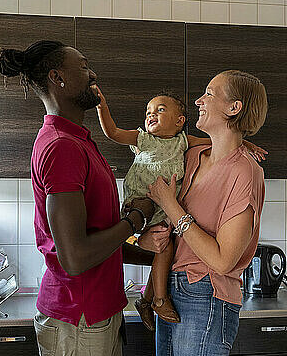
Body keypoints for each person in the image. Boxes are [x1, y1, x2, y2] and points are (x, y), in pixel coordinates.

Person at [0, 40, 155, 356]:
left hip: (98, 312)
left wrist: (158, 257)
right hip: (78, 316)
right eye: (83, 66)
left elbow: (97, 239)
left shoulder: (78, 141)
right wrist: (136, 220)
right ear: (58, 77)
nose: (93, 73)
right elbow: (76, 257)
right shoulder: (62, 147)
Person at [94, 87, 267, 330]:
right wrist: (102, 106)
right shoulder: (144, 139)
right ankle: (154, 298)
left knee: (165, 246)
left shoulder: (186, 144)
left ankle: (153, 299)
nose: (151, 115)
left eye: (160, 110)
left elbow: (219, 141)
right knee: (158, 245)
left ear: (179, 121)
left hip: (166, 217)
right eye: (149, 111)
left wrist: (245, 142)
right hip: (140, 204)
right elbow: (112, 133)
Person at [138, 70, 268, 356]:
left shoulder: (245, 172)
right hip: (170, 291)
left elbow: (223, 261)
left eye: (209, 94)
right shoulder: (195, 154)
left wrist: (172, 208)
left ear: (233, 107)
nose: (199, 100)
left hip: (206, 296)